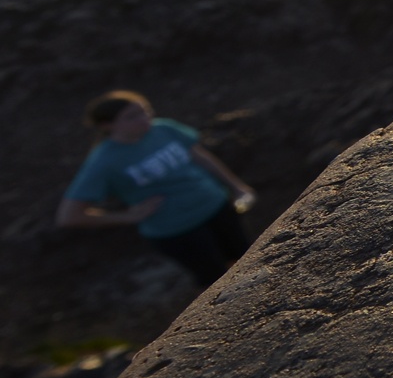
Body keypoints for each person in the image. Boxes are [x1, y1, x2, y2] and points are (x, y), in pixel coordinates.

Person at [56, 91, 256, 288]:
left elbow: (200, 157)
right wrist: (128, 217)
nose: (144, 119)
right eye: (131, 117)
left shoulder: (164, 129)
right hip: (178, 231)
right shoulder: (103, 163)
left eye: (145, 111)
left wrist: (237, 187)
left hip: (217, 207)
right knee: (218, 282)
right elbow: (70, 216)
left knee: (248, 262)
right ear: (107, 125)